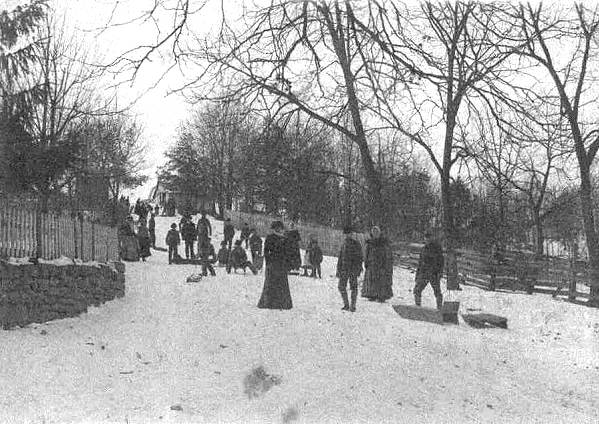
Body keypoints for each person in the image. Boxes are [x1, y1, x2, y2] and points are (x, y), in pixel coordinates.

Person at [258, 220, 293, 310]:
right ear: (274, 228)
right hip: (273, 263)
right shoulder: (270, 237)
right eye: (276, 227)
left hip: (282, 264)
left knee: (282, 284)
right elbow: (266, 251)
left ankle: (282, 303)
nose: (278, 229)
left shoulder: (284, 239)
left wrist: (287, 262)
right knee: (271, 283)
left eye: (280, 227)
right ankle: (269, 302)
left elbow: (287, 252)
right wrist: (268, 261)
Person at [361, 226, 393, 302]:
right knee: (372, 280)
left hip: (382, 265)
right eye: (374, 232)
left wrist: (386, 265)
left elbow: (387, 255)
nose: (375, 234)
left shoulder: (383, 243)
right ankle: (371, 294)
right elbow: (367, 254)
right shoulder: (370, 243)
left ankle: (382, 296)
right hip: (372, 264)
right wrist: (366, 262)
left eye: (377, 232)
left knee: (381, 280)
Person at [414, 230, 444, 310]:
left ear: (432, 238)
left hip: (434, 274)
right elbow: (420, 263)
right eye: (426, 238)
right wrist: (417, 275)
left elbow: (441, 262)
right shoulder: (424, 249)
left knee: (437, 292)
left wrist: (440, 273)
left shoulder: (437, 248)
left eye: (428, 238)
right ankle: (417, 308)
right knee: (417, 290)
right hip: (424, 273)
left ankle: (439, 309)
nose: (427, 240)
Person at [336, 225, 363, 312]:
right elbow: (340, 257)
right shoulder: (344, 243)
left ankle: (353, 306)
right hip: (344, 269)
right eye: (346, 234)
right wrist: (338, 269)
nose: (348, 235)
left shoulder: (356, 244)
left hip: (353, 269)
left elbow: (360, 258)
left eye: (349, 234)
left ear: (352, 234)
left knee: (353, 287)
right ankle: (346, 304)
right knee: (341, 287)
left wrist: (358, 268)